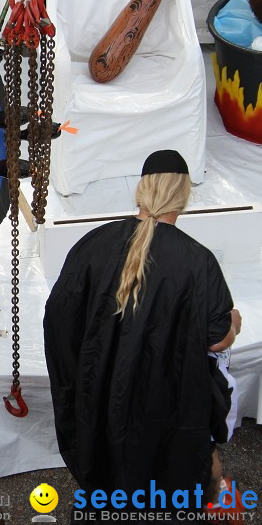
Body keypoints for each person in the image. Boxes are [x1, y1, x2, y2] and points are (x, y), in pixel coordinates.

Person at [44, 149, 243, 521]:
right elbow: (217, 339)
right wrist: (234, 322)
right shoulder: (197, 261)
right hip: (164, 408)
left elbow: (59, 318)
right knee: (162, 484)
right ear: (183, 196)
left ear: (141, 191)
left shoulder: (93, 245)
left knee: (107, 482)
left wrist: (89, 376)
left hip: (100, 399)